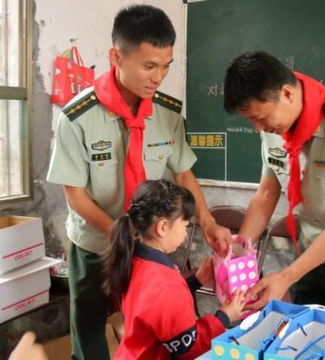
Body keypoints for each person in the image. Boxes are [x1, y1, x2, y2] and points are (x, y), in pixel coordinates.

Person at [46, 5, 231, 359]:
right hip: (96, 244)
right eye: (149, 65)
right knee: (89, 330)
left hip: (148, 249)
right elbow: (77, 198)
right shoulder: (77, 118)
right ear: (117, 56)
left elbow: (183, 173)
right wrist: (122, 235)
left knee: (145, 328)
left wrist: (208, 222)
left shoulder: (167, 114)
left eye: (165, 66)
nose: (158, 76)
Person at [223, 51, 325, 321]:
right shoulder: (272, 129)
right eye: (250, 121)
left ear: (287, 93)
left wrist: (287, 276)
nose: (258, 128)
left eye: (261, 118)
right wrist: (240, 251)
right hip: (308, 247)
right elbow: (266, 193)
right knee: (302, 333)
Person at [102, 180, 246, 359]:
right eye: (185, 225)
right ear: (162, 227)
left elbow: (156, 307)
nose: (186, 234)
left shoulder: (135, 258)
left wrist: (196, 280)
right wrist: (224, 317)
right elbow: (189, 348)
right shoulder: (164, 285)